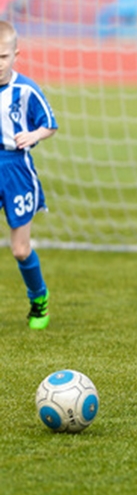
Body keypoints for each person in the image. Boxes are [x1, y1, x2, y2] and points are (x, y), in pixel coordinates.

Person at [0, 21, 57, 330]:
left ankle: (38, 297)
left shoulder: (26, 90)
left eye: (2, 57)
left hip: (16, 169)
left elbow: (49, 124)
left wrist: (34, 135)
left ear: (15, 55)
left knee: (20, 249)